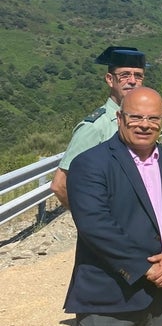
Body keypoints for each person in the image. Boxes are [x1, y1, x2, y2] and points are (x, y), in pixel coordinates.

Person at [64, 87, 162, 326]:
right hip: (108, 300)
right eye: (136, 117)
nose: (144, 125)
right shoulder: (90, 163)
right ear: (120, 118)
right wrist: (143, 267)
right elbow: (94, 225)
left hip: (158, 300)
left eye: (153, 118)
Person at [51, 46, 147, 209]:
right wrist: (90, 222)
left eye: (138, 76)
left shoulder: (144, 123)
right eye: (124, 75)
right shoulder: (96, 127)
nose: (132, 81)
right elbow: (60, 184)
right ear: (110, 79)